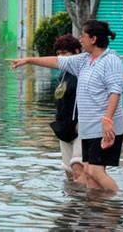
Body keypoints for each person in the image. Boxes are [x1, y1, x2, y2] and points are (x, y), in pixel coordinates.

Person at [12, 20, 123, 193]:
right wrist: (28, 60)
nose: (80, 39)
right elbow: (57, 61)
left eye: (83, 36)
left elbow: (115, 91)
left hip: (105, 127)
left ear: (93, 39)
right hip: (89, 128)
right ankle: (97, 213)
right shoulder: (84, 61)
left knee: (95, 171)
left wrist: (108, 119)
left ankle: (120, 204)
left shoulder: (111, 60)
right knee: (88, 173)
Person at [50, 34, 85, 183]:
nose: (61, 57)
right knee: (68, 171)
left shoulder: (83, 72)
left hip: (81, 126)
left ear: (77, 52)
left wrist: (80, 122)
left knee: (78, 166)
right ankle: (73, 202)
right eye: (58, 54)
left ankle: (91, 203)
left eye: (64, 53)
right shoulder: (62, 75)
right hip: (64, 127)